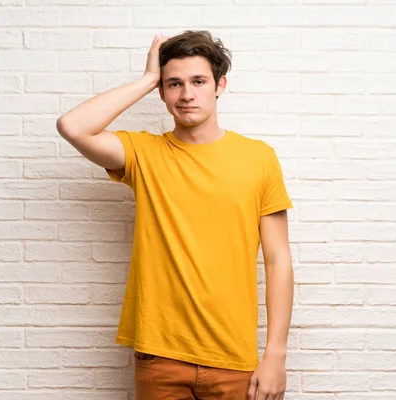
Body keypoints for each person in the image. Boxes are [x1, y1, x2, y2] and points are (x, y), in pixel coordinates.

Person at [56, 30, 293, 400]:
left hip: (233, 357)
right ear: (162, 93)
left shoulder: (259, 158)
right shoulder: (144, 153)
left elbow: (278, 259)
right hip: (160, 357)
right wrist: (147, 78)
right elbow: (72, 126)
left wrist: (276, 355)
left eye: (198, 81)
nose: (186, 94)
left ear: (220, 85)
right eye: (173, 84)